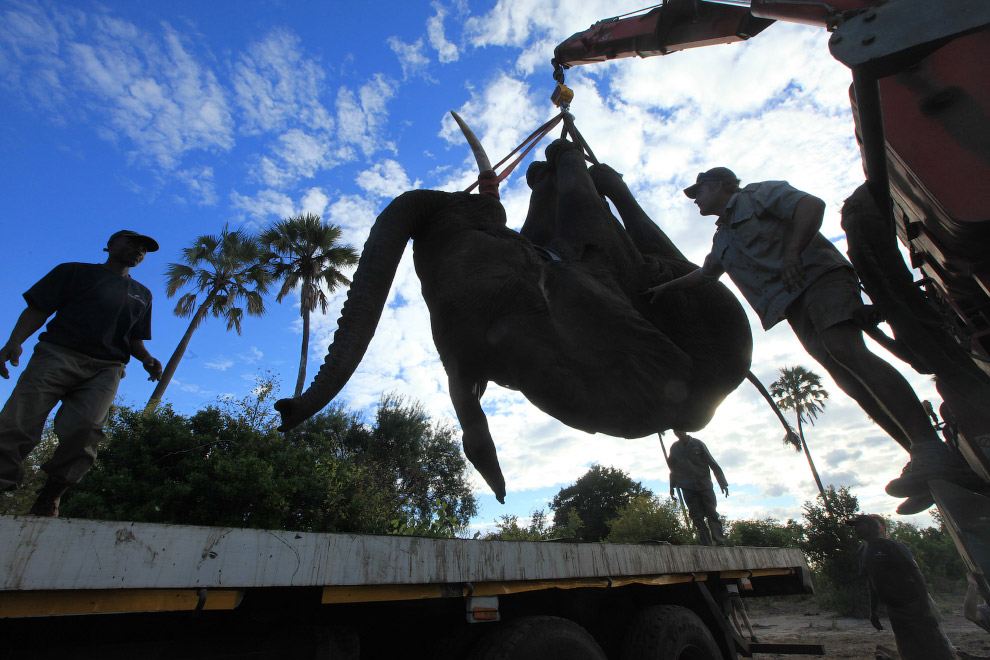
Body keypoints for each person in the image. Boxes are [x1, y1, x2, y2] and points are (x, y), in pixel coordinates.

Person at [646, 168, 979, 515]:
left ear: (718, 185)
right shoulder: (723, 237)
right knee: (845, 376)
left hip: (820, 278)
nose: (695, 199)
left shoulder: (758, 195)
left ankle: (930, 448)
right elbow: (706, 274)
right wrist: (664, 288)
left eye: (698, 191)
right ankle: (922, 458)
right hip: (791, 303)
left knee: (845, 350)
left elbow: (810, 206)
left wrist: (792, 252)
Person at [0, 230, 163, 517]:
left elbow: (133, 338)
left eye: (143, 249)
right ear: (110, 245)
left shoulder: (142, 294)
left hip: (107, 368)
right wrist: (14, 342)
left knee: (87, 430)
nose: (138, 250)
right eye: (131, 243)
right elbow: (38, 309)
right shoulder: (73, 272)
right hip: (57, 354)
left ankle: (52, 494)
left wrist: (147, 359)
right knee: (19, 422)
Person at [847, 514, 956, 660]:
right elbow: (871, 581)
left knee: (934, 647)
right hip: (894, 609)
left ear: (871, 527)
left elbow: (917, 575)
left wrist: (926, 609)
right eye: (854, 527)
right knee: (907, 648)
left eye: (858, 525)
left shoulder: (892, 546)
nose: (855, 530)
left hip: (913, 605)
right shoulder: (862, 551)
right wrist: (873, 612)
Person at [667, 430, 728, 545]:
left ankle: (719, 541)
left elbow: (712, 463)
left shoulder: (698, 444)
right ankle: (706, 544)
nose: (677, 433)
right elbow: (673, 469)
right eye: (675, 431)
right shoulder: (674, 448)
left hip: (704, 485)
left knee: (712, 514)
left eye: (679, 430)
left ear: (685, 430)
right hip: (687, 487)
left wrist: (722, 483)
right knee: (696, 517)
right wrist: (672, 486)